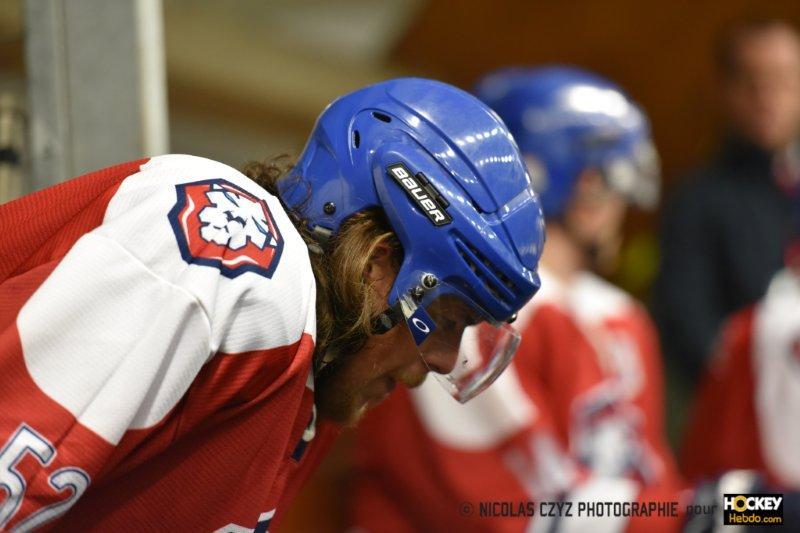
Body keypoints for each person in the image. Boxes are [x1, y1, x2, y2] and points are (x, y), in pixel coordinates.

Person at [0, 78, 544, 531]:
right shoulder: (231, 261)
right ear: (378, 265)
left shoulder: (315, 381)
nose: (442, 363)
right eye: (447, 322)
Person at [349, 67, 685, 533]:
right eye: (609, 181)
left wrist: (743, 509)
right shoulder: (463, 301)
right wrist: (732, 512)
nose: (618, 205)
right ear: (582, 183)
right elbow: (519, 511)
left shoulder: (624, 318)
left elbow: (654, 483)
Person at [654, 19, 800, 382]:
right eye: (751, 80)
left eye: (783, 79)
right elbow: (687, 325)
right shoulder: (696, 199)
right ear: (724, 89)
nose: (766, 97)